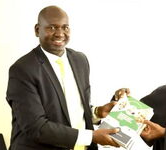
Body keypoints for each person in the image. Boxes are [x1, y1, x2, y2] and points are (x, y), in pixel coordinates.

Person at [6, 5, 120, 150]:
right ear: (37, 30)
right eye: (52, 28)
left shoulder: (80, 60)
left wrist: (98, 112)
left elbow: (70, 111)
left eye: (65, 27)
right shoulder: (23, 69)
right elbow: (36, 127)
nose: (60, 34)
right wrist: (91, 136)